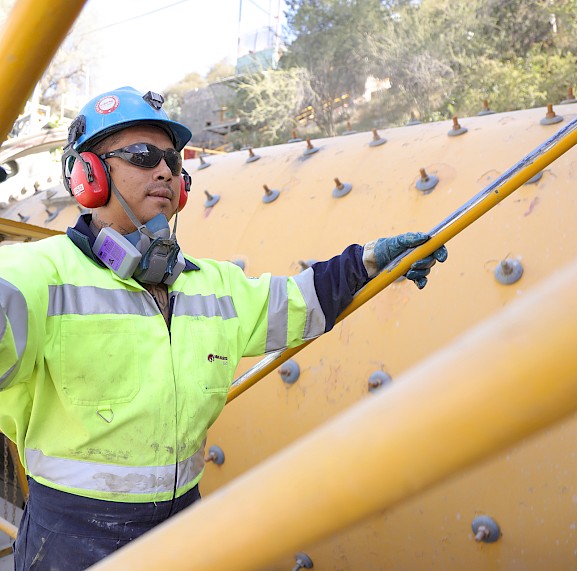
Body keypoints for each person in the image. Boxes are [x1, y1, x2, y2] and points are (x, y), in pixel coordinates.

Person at [0, 86, 447, 571]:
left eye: (173, 160)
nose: (165, 170)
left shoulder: (209, 284)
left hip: (184, 526)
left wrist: (370, 261)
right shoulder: (38, 273)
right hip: (71, 538)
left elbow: (296, 303)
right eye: (143, 155)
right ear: (88, 174)